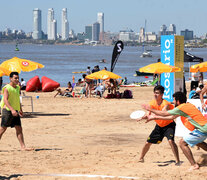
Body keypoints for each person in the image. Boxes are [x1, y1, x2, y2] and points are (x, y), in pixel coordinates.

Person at [142, 91, 207, 170]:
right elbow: (172, 117)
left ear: (178, 101)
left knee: (182, 143)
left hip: (202, 129)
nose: (173, 102)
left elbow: (164, 113)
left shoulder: (181, 107)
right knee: (198, 142)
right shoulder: (188, 105)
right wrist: (154, 117)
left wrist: (150, 109)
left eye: (174, 100)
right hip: (204, 127)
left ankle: (194, 165)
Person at [138, 85, 180, 165]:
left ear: (162, 94)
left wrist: (153, 117)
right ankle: (141, 158)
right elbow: (148, 114)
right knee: (147, 143)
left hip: (169, 125)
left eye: (157, 93)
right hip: (159, 126)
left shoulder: (166, 104)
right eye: (154, 93)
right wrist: (142, 117)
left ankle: (177, 160)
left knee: (171, 141)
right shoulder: (152, 103)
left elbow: (163, 114)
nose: (155, 94)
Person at [0, 72, 33, 151]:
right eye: (15, 78)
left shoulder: (18, 88)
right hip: (7, 111)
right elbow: (5, 100)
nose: (17, 80)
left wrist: (20, 109)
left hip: (15, 111)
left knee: (19, 128)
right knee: (2, 129)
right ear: (10, 78)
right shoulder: (7, 88)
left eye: (18, 78)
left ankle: (23, 147)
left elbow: (18, 99)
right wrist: (12, 110)